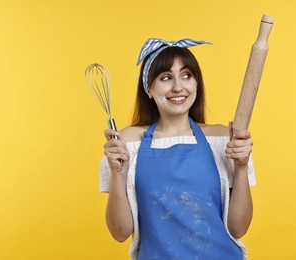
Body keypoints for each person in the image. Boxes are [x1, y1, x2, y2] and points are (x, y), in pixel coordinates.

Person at [99, 38, 256, 260]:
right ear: (149, 89)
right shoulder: (127, 144)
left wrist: (241, 166)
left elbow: (238, 228)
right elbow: (119, 232)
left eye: (186, 75)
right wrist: (118, 174)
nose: (178, 87)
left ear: (196, 84)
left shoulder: (222, 139)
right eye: (166, 78)